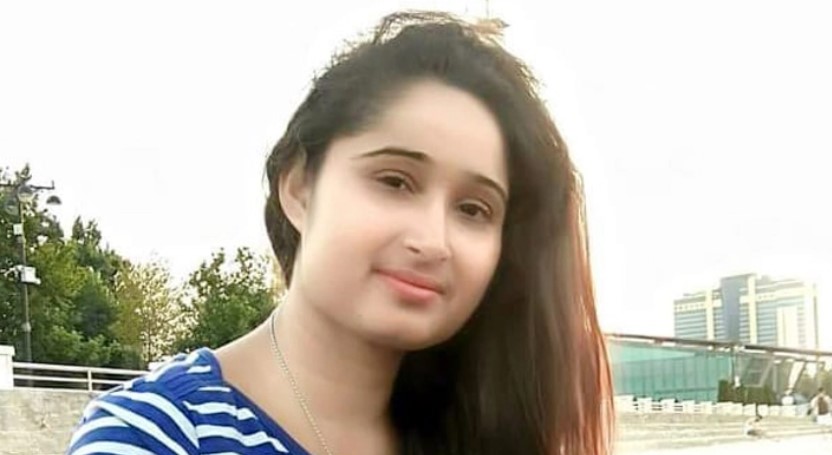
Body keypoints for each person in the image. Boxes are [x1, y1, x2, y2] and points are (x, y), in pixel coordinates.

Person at [67, 11, 613, 455]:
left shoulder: (484, 431)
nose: (432, 240)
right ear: (299, 188)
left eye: (474, 209)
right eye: (395, 181)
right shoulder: (159, 435)